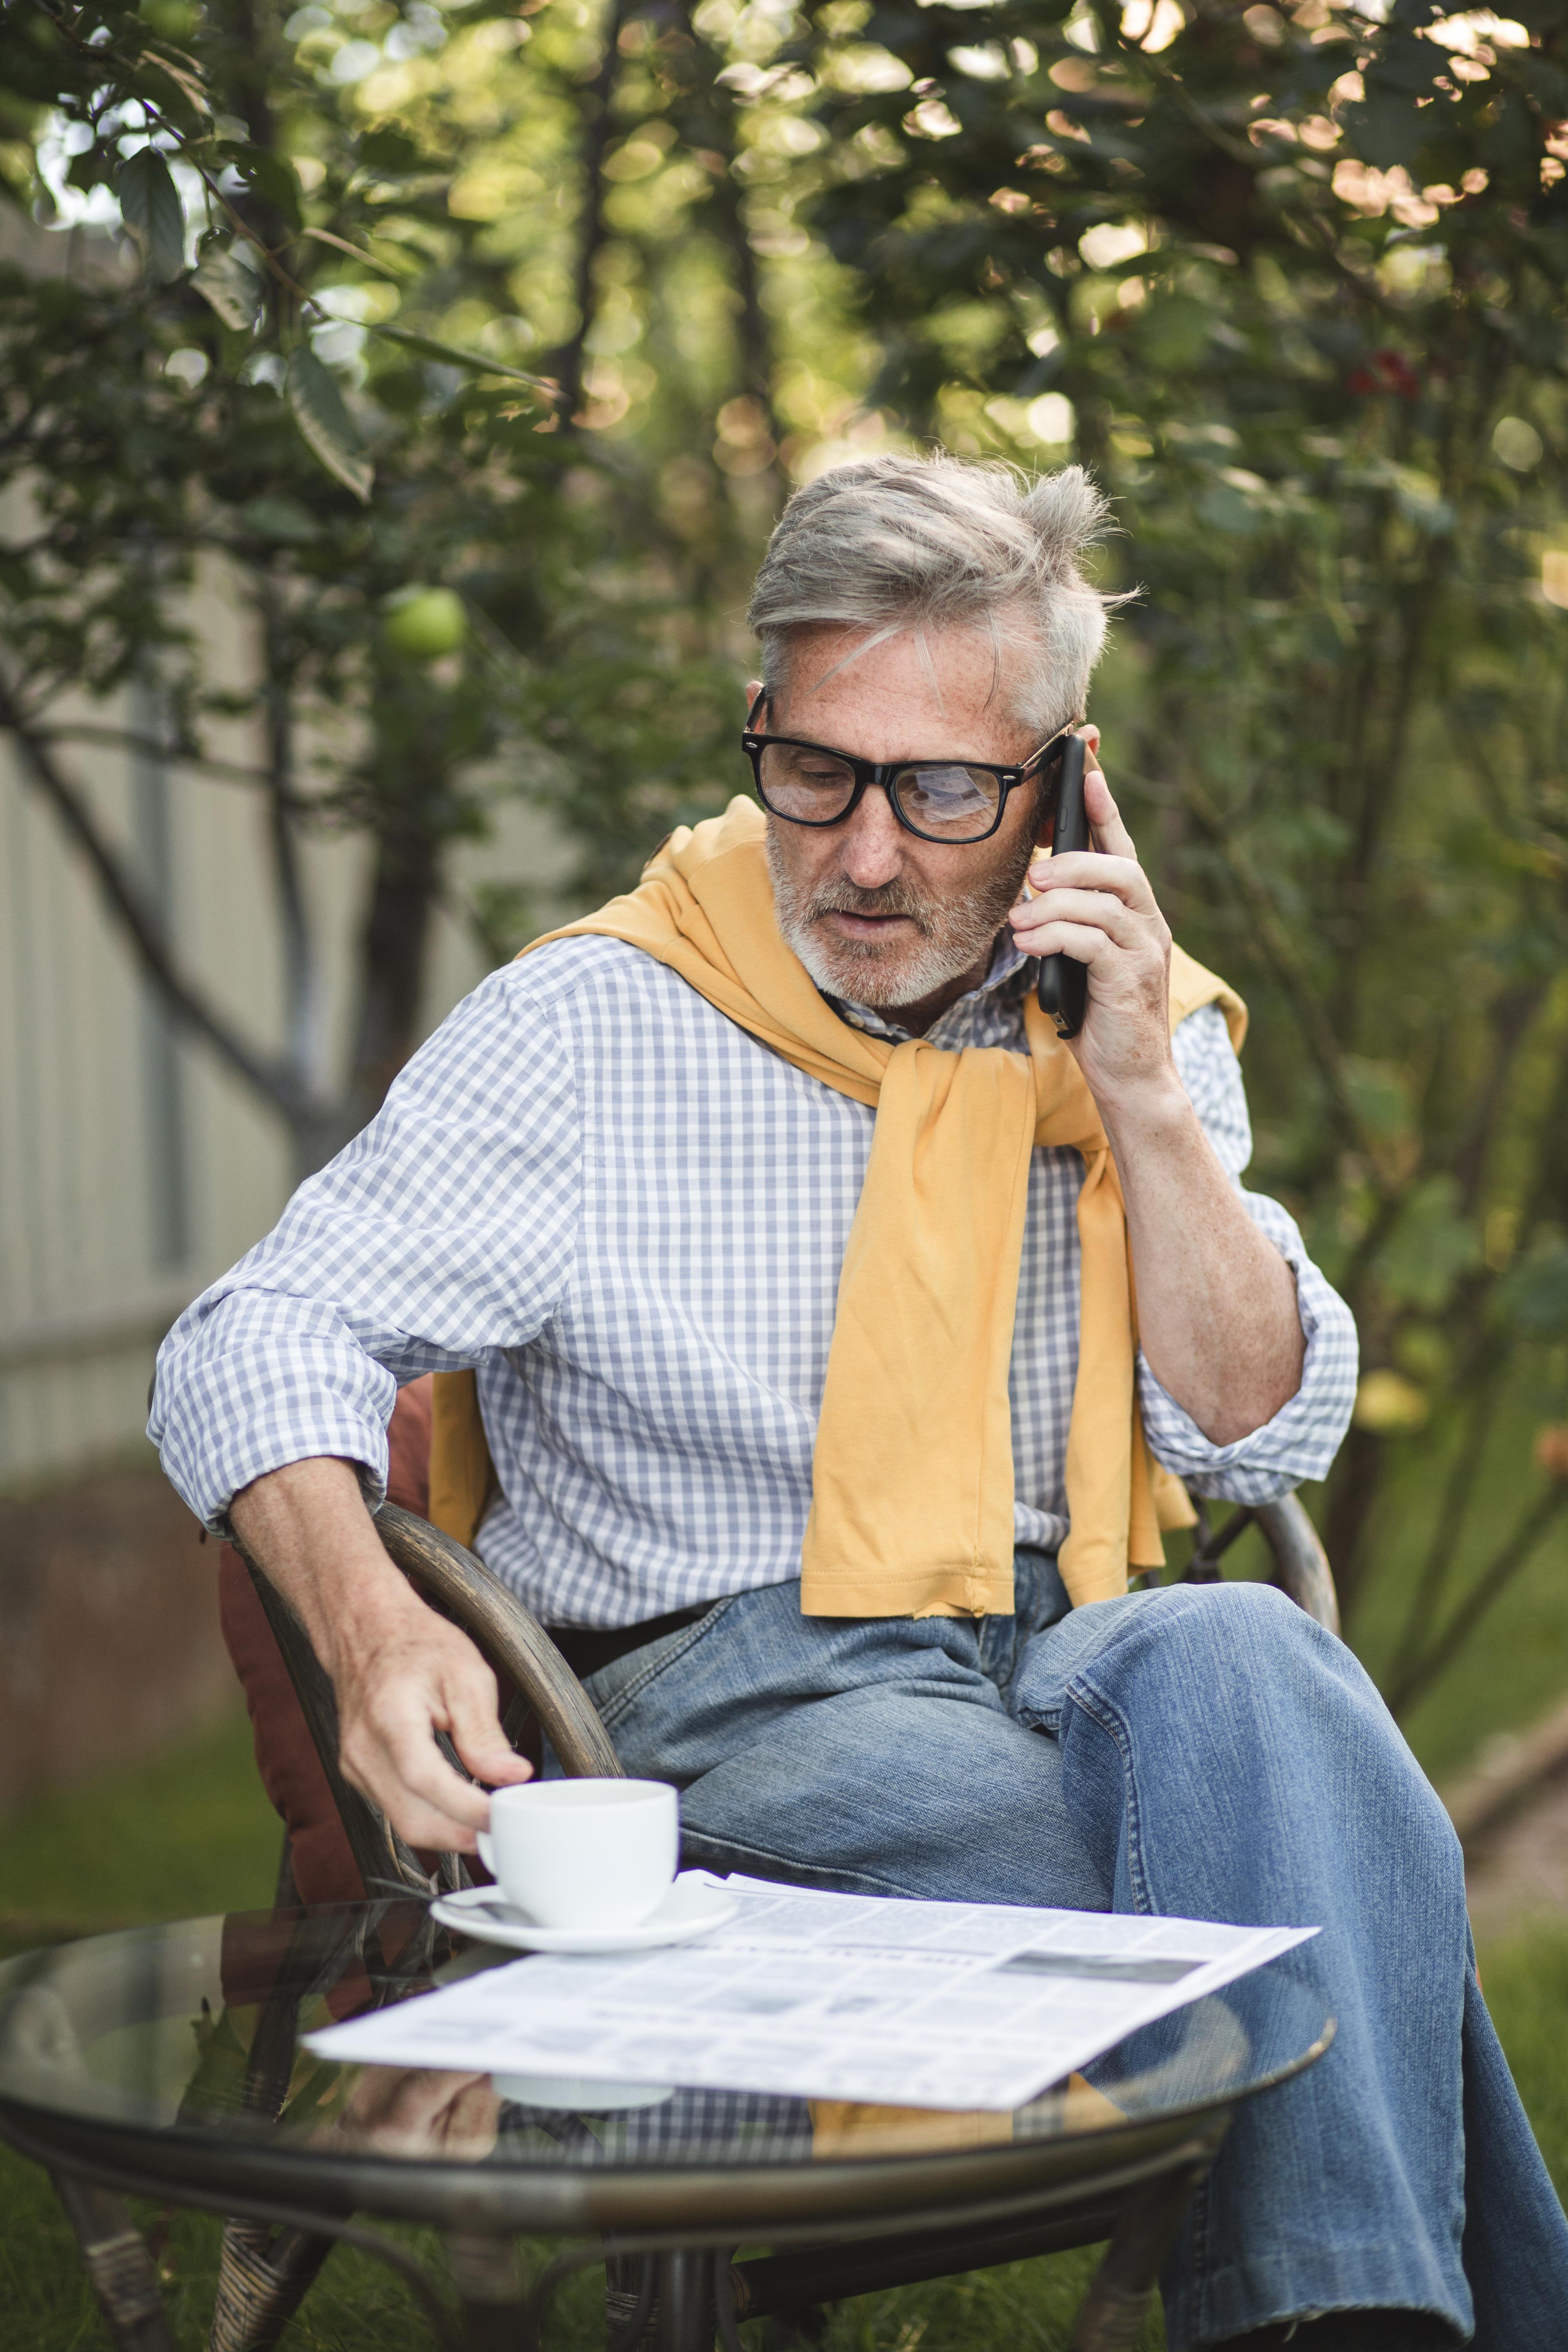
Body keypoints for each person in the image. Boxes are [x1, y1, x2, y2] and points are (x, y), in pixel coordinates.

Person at [150, 455, 1567, 2349]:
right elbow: (254, 1331)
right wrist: (370, 1613)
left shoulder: (1131, 1026)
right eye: (814, 770)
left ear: (1063, 788)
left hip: (1064, 1653)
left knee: (1250, 1665)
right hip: (726, 1695)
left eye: (945, 788)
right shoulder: (594, 1026)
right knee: (1317, 1853)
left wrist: (1144, 1095)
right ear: (760, 729)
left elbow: (1258, 1434)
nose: (869, 851)